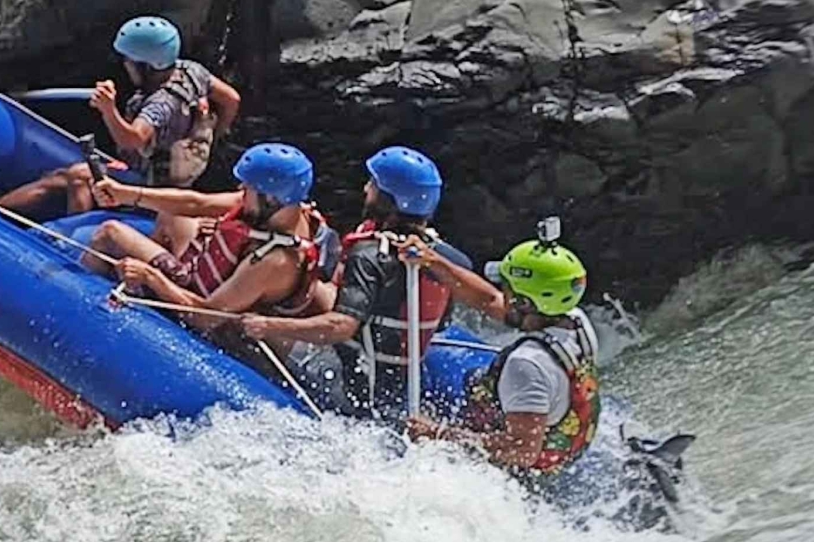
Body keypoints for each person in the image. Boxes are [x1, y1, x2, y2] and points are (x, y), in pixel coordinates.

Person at [240, 146, 457, 419]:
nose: (366, 189)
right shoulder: (443, 258)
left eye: (373, 185)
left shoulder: (368, 256)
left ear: (389, 199)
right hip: (395, 384)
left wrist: (268, 325)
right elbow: (441, 323)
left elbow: (341, 327)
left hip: (354, 384)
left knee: (245, 333)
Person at [403, 225, 602, 475]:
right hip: (558, 435)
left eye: (507, 288)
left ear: (523, 302)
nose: (502, 292)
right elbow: (489, 301)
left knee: (429, 362)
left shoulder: (526, 364)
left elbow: (522, 451)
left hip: (526, 469)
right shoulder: (575, 320)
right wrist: (433, 261)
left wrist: (437, 434)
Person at [0, 16, 241, 218]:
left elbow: (132, 140)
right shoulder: (192, 71)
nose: (125, 64)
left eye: (129, 61)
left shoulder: (161, 105)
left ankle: (68, 239)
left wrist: (108, 109)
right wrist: (213, 137)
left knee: (78, 177)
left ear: (147, 66)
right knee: (56, 180)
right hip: (177, 173)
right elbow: (231, 99)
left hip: (150, 183)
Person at [82, 143, 327, 332]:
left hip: (206, 306)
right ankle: (136, 289)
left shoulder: (274, 261)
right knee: (172, 215)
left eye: (248, 188)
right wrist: (124, 194)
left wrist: (151, 277)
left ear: (271, 199)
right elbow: (197, 203)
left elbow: (206, 317)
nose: (241, 190)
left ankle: (85, 303)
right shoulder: (289, 209)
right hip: (209, 276)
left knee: (109, 232)